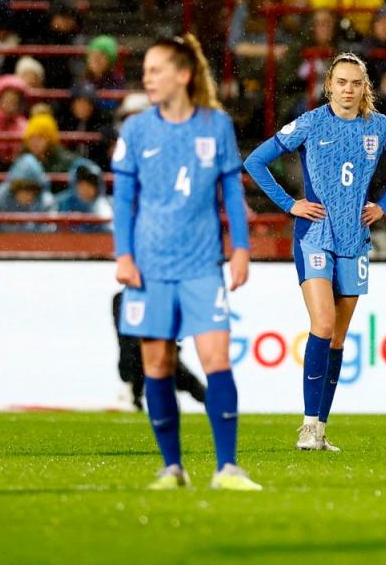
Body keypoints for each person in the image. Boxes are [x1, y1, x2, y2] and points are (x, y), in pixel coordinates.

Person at [112, 34, 260, 491]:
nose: (147, 78)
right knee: (156, 366)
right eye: (146, 71)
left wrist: (240, 248)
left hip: (201, 265)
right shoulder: (135, 130)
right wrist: (123, 254)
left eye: (156, 70)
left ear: (183, 75)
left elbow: (232, 191)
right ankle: (172, 467)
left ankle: (228, 468)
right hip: (150, 267)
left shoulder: (216, 126)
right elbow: (122, 198)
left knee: (217, 360)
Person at [244, 52, 386, 451]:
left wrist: (383, 205)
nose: (348, 90)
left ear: (364, 87)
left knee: (337, 337)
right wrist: (290, 204)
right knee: (321, 323)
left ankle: (319, 428)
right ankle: (306, 425)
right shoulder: (311, 122)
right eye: (341, 83)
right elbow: (255, 161)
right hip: (315, 234)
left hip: (355, 238)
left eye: (355, 83)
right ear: (329, 86)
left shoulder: (379, 127)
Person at [111, 292, 207, 412]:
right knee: (134, 353)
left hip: (159, 356)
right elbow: (125, 339)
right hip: (136, 360)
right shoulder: (123, 299)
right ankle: (132, 394)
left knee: (180, 374)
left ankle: (214, 403)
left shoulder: (163, 296)